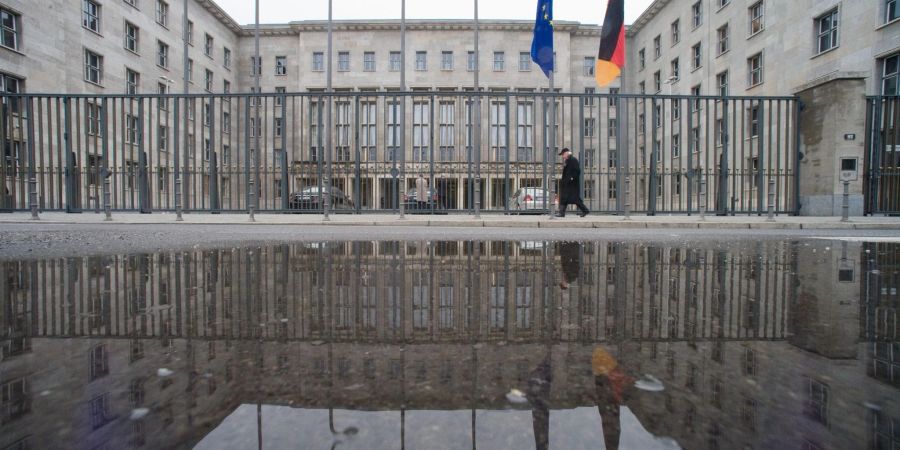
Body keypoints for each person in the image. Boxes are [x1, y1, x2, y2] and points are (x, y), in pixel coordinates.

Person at [557, 148, 589, 217]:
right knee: (564, 198)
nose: (562, 156)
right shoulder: (568, 161)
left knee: (575, 199)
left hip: (572, 184)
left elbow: (577, 171)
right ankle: (561, 213)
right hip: (567, 183)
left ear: (566, 153)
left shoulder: (573, 160)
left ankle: (585, 210)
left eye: (563, 154)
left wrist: (571, 178)